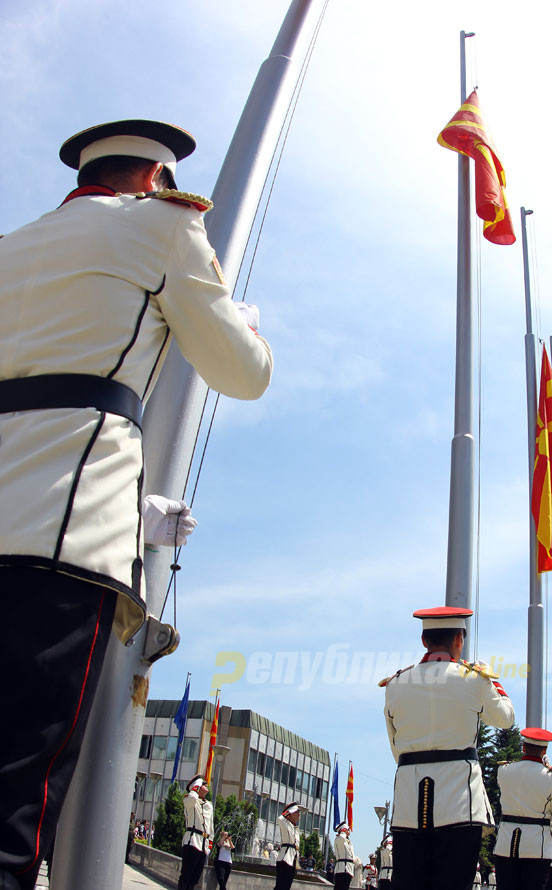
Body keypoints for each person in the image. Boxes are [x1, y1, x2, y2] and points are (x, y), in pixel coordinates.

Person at [0, 117, 272, 889]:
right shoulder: (164, 228)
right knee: (16, 799)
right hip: (64, 540)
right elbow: (242, 372)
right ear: (155, 178)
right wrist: (243, 323)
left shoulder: (11, 245)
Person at [382, 605, 515, 890]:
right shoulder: (473, 680)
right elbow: (505, 718)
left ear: (424, 641)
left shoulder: (396, 684)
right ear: (459, 640)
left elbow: (396, 746)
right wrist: (492, 680)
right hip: (459, 803)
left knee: (409, 883)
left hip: (409, 801)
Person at [493, 727, 552, 890]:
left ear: (523, 747)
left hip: (506, 843)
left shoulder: (504, 771)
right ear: (545, 750)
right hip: (537, 847)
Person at [178, 775, 214, 890]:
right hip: (192, 841)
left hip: (203, 844)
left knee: (195, 878)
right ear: (196, 787)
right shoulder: (190, 800)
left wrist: (209, 845)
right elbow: (192, 798)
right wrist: (196, 785)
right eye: (203, 784)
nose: (206, 785)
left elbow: (211, 827)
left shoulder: (209, 805)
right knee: (186, 876)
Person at [274, 802, 302, 890]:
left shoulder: (295, 828)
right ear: (290, 813)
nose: (299, 814)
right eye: (296, 812)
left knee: (286, 886)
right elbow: (280, 818)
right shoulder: (285, 823)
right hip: (284, 859)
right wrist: (287, 812)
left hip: (292, 859)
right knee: (280, 886)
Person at [334, 823, 359, 890]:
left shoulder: (348, 842)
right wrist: (343, 832)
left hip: (348, 869)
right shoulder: (338, 839)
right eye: (347, 830)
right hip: (341, 869)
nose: (349, 832)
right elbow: (342, 838)